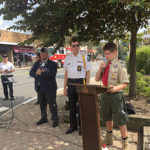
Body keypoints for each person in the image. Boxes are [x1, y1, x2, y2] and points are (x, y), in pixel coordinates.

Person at [95, 43, 129, 150]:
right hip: (105, 94)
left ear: (114, 52)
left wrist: (115, 88)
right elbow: (96, 79)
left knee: (121, 119)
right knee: (107, 117)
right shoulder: (105, 65)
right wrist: (100, 69)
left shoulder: (120, 65)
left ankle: (125, 143)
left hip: (116, 95)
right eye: (104, 54)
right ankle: (109, 138)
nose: (105, 56)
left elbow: (125, 83)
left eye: (107, 53)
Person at [63, 36, 91, 135]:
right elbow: (66, 74)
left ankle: (81, 127)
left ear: (79, 47)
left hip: (80, 83)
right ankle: (73, 126)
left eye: (77, 45)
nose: (76, 47)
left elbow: (88, 73)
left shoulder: (84, 56)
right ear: (70, 47)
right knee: (72, 106)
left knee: (81, 107)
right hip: (70, 84)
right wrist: (64, 87)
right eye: (73, 45)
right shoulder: (68, 58)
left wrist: (86, 86)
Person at [29, 47, 59, 128]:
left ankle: (55, 119)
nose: (42, 55)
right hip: (40, 88)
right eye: (41, 54)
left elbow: (51, 75)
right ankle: (43, 118)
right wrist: (37, 74)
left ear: (47, 54)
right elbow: (31, 73)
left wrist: (40, 73)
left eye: (44, 53)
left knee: (52, 105)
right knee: (42, 105)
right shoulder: (37, 63)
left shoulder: (53, 64)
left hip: (50, 89)